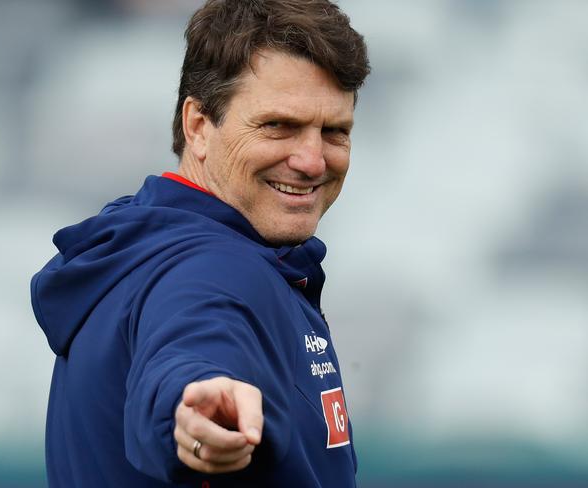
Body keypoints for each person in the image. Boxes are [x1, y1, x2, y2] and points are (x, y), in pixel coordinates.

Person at [30, 0, 370, 486]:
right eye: (279, 126)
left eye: (334, 131)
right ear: (197, 126)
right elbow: (194, 349)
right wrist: (196, 406)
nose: (313, 161)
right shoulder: (213, 268)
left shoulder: (146, 247)